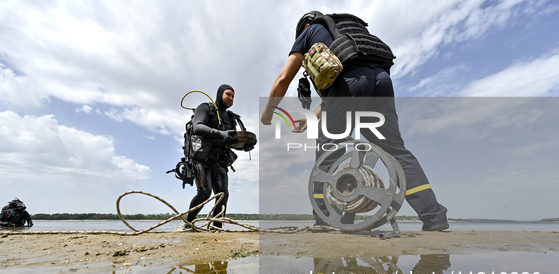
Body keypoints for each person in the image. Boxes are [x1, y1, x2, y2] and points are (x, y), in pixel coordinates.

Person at [261, 11, 449, 231]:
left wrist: (268, 113)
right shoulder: (348, 33)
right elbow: (348, 86)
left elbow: (283, 79)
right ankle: (434, 216)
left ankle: (325, 219)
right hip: (382, 81)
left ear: (304, 27)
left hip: (349, 83)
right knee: (395, 151)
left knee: (328, 151)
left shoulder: (310, 31)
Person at [185, 84, 241, 230]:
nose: (231, 98)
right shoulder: (206, 108)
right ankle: (188, 224)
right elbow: (197, 127)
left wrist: (244, 145)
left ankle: (217, 227)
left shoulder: (230, 118)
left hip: (220, 161)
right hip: (201, 158)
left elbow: (233, 140)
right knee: (204, 192)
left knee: (223, 195)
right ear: (220, 94)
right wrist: (220, 133)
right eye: (228, 94)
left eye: (233, 96)